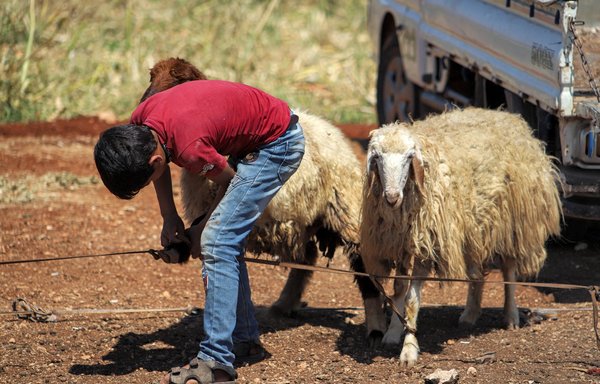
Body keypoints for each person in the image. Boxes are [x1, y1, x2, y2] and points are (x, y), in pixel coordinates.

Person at [94, 79, 305, 384]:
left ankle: (217, 360)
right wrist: (170, 216)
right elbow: (160, 164)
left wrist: (201, 228)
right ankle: (244, 340)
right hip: (247, 141)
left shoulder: (190, 149)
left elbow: (229, 181)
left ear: (153, 160)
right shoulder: (141, 124)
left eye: (142, 183)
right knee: (222, 239)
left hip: (277, 144)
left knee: (218, 241)